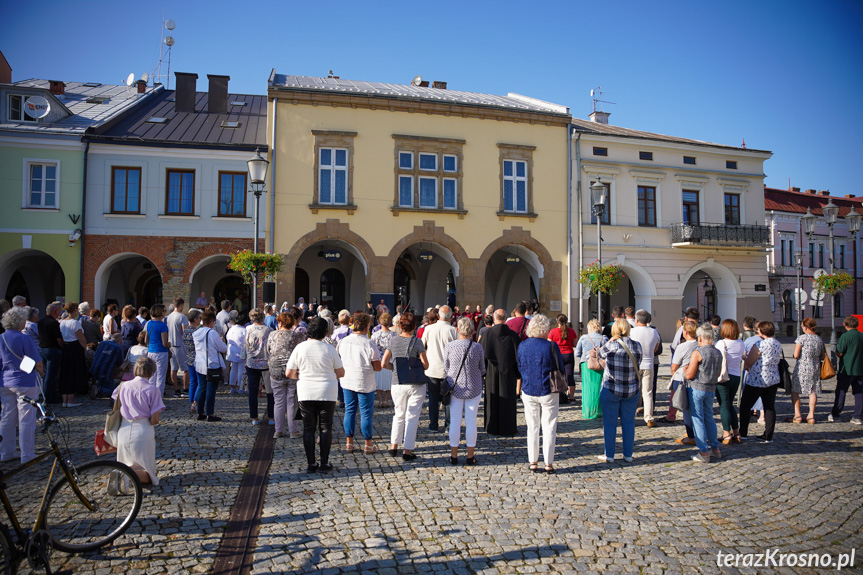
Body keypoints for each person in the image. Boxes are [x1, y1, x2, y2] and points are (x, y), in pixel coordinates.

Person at [286, 317, 345, 473]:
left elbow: (289, 373)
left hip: (306, 391)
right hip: (327, 391)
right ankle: (324, 463)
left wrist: (304, 376)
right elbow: (341, 372)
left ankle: (311, 464)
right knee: (325, 428)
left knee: (308, 428)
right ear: (325, 332)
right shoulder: (329, 349)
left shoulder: (300, 348)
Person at [517, 314, 564, 473]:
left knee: (532, 427)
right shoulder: (551, 346)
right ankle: (548, 463)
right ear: (545, 329)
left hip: (529, 388)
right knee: (550, 426)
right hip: (548, 389)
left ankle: (533, 461)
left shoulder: (522, 345)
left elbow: (519, 367)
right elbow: (561, 368)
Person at [382, 312, 429, 461]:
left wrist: (395, 368)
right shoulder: (417, 342)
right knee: (412, 416)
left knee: (399, 414)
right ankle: (407, 450)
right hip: (415, 383)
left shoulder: (393, 341)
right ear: (414, 326)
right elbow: (426, 365)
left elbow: (384, 363)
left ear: (400, 326)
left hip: (398, 382)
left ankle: (393, 446)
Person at [111, 357, 165, 487]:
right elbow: (154, 419)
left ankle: (122, 474)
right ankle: (125, 475)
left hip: (124, 429)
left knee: (125, 463)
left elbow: (116, 404)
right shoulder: (153, 390)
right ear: (152, 372)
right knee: (149, 474)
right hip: (143, 430)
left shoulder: (123, 386)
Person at [0, 306, 44, 464]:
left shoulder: (1, 337)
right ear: (20, 322)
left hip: (5, 381)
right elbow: (36, 361)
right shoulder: (23, 338)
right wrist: (40, 372)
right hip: (24, 381)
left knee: (7, 417)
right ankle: (27, 455)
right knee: (26, 419)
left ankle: (6, 452)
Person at [597, 319, 643, 463]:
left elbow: (599, 354)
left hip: (612, 387)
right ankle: (628, 454)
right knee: (629, 422)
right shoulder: (637, 345)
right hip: (631, 389)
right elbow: (639, 361)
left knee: (610, 423)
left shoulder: (611, 345)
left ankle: (609, 455)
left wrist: (610, 340)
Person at [338, 313, 381, 454]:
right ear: (367, 326)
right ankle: (368, 443)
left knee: (349, 411)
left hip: (348, 379)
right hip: (364, 381)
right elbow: (378, 366)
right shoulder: (369, 343)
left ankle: (349, 442)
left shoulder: (344, 341)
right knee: (366, 413)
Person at [444, 317, 485, 465]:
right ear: (472, 331)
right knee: (471, 421)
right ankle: (470, 456)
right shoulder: (477, 347)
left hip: (455, 387)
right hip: (474, 387)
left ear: (457, 330)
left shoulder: (449, 347)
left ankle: (453, 456)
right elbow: (482, 369)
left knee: (455, 421)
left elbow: (446, 368)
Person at [683, 324, 722, 463]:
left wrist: (686, 369)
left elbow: (689, 375)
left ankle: (704, 451)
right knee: (709, 418)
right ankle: (715, 449)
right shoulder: (718, 352)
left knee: (697, 419)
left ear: (700, 337)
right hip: (711, 389)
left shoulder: (698, 352)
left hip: (697, 388)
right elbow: (718, 373)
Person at [740, 321, 782, 442]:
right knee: (769, 407)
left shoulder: (760, 344)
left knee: (745, 405)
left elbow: (749, 361)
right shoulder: (778, 343)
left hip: (758, 379)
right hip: (773, 378)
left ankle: (743, 433)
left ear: (762, 331)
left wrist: (747, 366)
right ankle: (768, 435)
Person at [481, 309, 521, 436]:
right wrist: (517, 374)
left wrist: (483, 371)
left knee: (492, 399)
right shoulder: (513, 335)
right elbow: (518, 357)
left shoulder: (487, 334)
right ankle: (507, 426)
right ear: (505, 319)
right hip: (508, 371)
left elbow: (482, 354)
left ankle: (491, 426)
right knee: (508, 400)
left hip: (491, 371)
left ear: (494, 318)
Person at [267, 312, 306, 439]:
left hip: (276, 370)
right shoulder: (298, 335)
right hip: (292, 370)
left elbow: (267, 351)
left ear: (280, 323)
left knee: (278, 401)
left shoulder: (272, 335)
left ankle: (278, 430)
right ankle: (293, 431)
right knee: (291, 401)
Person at [422, 305, 456, 432]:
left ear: (438, 315)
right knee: (448, 400)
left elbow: (422, 346)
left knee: (433, 398)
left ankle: (433, 424)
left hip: (432, 368)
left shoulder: (429, 329)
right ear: (451, 317)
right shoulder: (453, 331)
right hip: (448, 370)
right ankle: (449, 425)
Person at [786, 317, 825, 425]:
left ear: (806, 327)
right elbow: (822, 356)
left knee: (795, 390)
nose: (802, 328)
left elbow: (796, 354)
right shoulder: (819, 339)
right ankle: (811, 416)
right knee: (813, 391)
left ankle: (797, 415)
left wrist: (794, 355)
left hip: (802, 367)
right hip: (815, 367)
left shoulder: (801, 338)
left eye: (802, 326)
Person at [714, 319, 746, 444]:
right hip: (736, 375)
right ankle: (736, 432)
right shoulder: (740, 343)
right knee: (730, 404)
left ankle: (726, 433)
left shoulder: (721, 343)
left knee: (724, 405)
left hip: (724, 377)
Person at [629, 310, 661, 427]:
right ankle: (648, 417)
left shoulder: (631, 332)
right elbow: (656, 349)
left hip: (634, 364)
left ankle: (630, 414)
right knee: (647, 392)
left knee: (633, 391)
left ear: (636, 320)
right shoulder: (654, 332)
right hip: (648, 364)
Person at [193, 310, 227, 422]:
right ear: (212, 321)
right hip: (211, 364)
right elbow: (223, 348)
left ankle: (200, 412)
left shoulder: (196, 332)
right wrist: (222, 341)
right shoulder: (212, 333)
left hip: (199, 364)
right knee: (211, 390)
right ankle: (210, 413)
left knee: (202, 388)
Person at [667, 321, 697, 443]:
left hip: (682, 378)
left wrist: (674, 375)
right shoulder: (698, 345)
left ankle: (691, 436)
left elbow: (674, 366)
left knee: (685, 408)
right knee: (694, 408)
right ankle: (695, 432)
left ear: (685, 332)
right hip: (695, 377)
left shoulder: (682, 346)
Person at [831, 315, 863, 424]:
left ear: (845, 325)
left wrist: (836, 353)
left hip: (846, 369)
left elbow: (839, 352)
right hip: (860, 369)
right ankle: (858, 416)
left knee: (841, 391)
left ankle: (836, 414)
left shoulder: (845, 337)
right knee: (859, 393)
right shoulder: (861, 335)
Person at [574, 319, 607, 420]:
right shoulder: (604, 338)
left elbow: (577, 353)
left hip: (587, 365)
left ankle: (588, 411)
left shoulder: (584, 338)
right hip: (601, 365)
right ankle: (599, 410)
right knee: (599, 388)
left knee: (588, 389)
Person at [245, 309, 273, 426]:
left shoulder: (249, 330)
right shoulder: (269, 330)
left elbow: (245, 345)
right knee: (270, 391)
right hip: (265, 362)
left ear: (252, 319)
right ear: (263, 318)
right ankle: (272, 416)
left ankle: (254, 417)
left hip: (252, 362)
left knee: (253, 391)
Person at [59, 302, 88, 406]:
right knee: (73, 373)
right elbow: (81, 338)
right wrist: (84, 347)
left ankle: (64, 400)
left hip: (66, 347)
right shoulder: (75, 323)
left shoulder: (62, 322)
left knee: (65, 373)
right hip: (75, 347)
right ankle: (70, 400)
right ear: (75, 310)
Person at [37, 302, 63, 404]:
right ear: (55, 311)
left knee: (45, 375)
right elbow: (59, 339)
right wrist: (63, 347)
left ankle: (45, 394)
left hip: (42, 348)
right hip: (52, 349)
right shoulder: (54, 323)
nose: (60, 313)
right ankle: (49, 397)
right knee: (51, 375)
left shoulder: (41, 321)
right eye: (59, 311)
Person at [548, 314, 577, 402]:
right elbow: (575, 344)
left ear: (557, 322)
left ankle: (559, 395)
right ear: (567, 322)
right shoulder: (571, 331)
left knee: (557, 375)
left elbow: (549, 344)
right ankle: (571, 397)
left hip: (557, 355)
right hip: (568, 354)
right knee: (570, 376)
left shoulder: (553, 332)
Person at [166, 298, 189, 398]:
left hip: (171, 344)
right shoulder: (182, 317)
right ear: (181, 305)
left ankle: (176, 390)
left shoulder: (168, 317)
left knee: (173, 369)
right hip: (180, 344)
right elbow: (185, 332)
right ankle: (185, 389)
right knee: (185, 369)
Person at [145, 304, 170, 396]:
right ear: (160, 313)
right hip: (161, 352)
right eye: (164, 311)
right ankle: (158, 401)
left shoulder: (149, 323)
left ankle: (150, 398)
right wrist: (170, 344)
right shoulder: (162, 326)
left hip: (151, 351)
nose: (165, 313)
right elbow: (165, 343)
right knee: (160, 378)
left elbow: (146, 340)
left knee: (152, 377)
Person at [371, 313, 395, 408]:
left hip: (379, 360)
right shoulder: (394, 335)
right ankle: (386, 400)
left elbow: (372, 348)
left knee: (379, 381)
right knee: (390, 382)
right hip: (390, 360)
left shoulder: (375, 335)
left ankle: (380, 400)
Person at [183, 309, 202, 414]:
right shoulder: (196, 332)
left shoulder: (186, 330)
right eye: (199, 318)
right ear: (195, 319)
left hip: (189, 357)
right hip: (196, 357)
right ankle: (195, 401)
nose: (200, 320)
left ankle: (192, 400)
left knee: (193, 381)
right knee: (199, 381)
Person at [226, 312, 247, 394]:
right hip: (240, 351)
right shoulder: (244, 330)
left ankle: (232, 386)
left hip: (232, 351)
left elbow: (227, 338)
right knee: (241, 369)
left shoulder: (231, 329)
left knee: (233, 369)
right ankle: (240, 386)